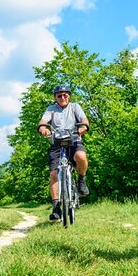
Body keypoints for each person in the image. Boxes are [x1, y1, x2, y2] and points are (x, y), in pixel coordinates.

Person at [38, 84, 90, 221]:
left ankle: (81, 180)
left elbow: (84, 119)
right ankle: (56, 207)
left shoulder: (75, 107)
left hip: (73, 140)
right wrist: (43, 128)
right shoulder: (51, 109)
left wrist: (83, 126)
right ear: (55, 98)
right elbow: (43, 121)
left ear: (69, 96)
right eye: (59, 95)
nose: (62, 97)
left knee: (81, 156)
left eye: (65, 95)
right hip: (57, 143)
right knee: (54, 173)